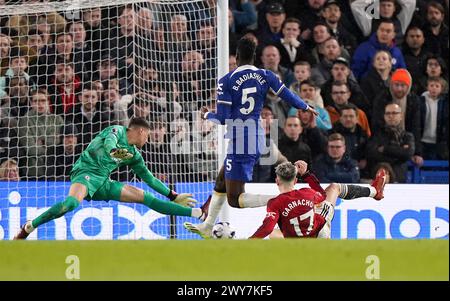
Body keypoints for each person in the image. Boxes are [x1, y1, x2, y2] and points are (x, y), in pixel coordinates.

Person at [184, 38, 317, 238]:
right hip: (257, 136)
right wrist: (305, 106)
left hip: (241, 140)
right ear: (254, 57)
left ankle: (282, 198)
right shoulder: (265, 75)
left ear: (236, 58)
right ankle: (207, 225)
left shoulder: (226, 80)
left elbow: (222, 118)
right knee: (221, 181)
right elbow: (287, 94)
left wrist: (205, 115)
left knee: (234, 199)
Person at [14, 117, 205, 240]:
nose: (147, 140)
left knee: (145, 197)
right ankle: (29, 227)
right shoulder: (116, 131)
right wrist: (122, 154)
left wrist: (172, 194)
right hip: (86, 173)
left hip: (103, 182)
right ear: (140, 131)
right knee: (71, 204)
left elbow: (150, 178)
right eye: (147, 136)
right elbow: (109, 148)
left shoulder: (135, 155)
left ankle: (198, 214)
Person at [249, 160, 387, 239]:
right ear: (296, 180)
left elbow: (267, 227)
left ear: (277, 181)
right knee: (334, 188)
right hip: (319, 233)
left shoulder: (275, 203)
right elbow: (322, 195)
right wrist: (307, 175)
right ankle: (375, 191)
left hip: (295, 240)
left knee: (273, 234)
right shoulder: (308, 193)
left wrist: (250, 242)